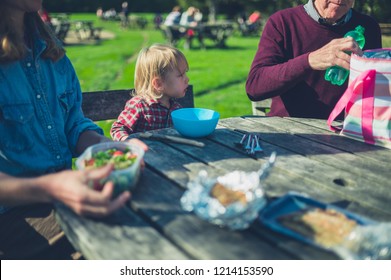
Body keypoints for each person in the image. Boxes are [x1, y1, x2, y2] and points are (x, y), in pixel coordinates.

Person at [0, 0, 147, 259]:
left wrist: (110, 149)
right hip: (14, 215)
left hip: (65, 195)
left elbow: (74, 125)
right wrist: (52, 187)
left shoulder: (51, 52)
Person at [246, 0, 382, 119]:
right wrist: (309, 61)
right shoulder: (282, 22)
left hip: (347, 131)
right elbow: (255, 87)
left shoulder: (368, 27)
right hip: (289, 132)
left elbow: (377, 88)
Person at [110, 44, 190, 141]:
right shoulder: (139, 106)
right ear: (158, 84)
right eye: (181, 75)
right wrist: (129, 142)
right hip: (145, 154)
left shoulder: (176, 108)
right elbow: (118, 129)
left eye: (186, 73)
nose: (187, 79)